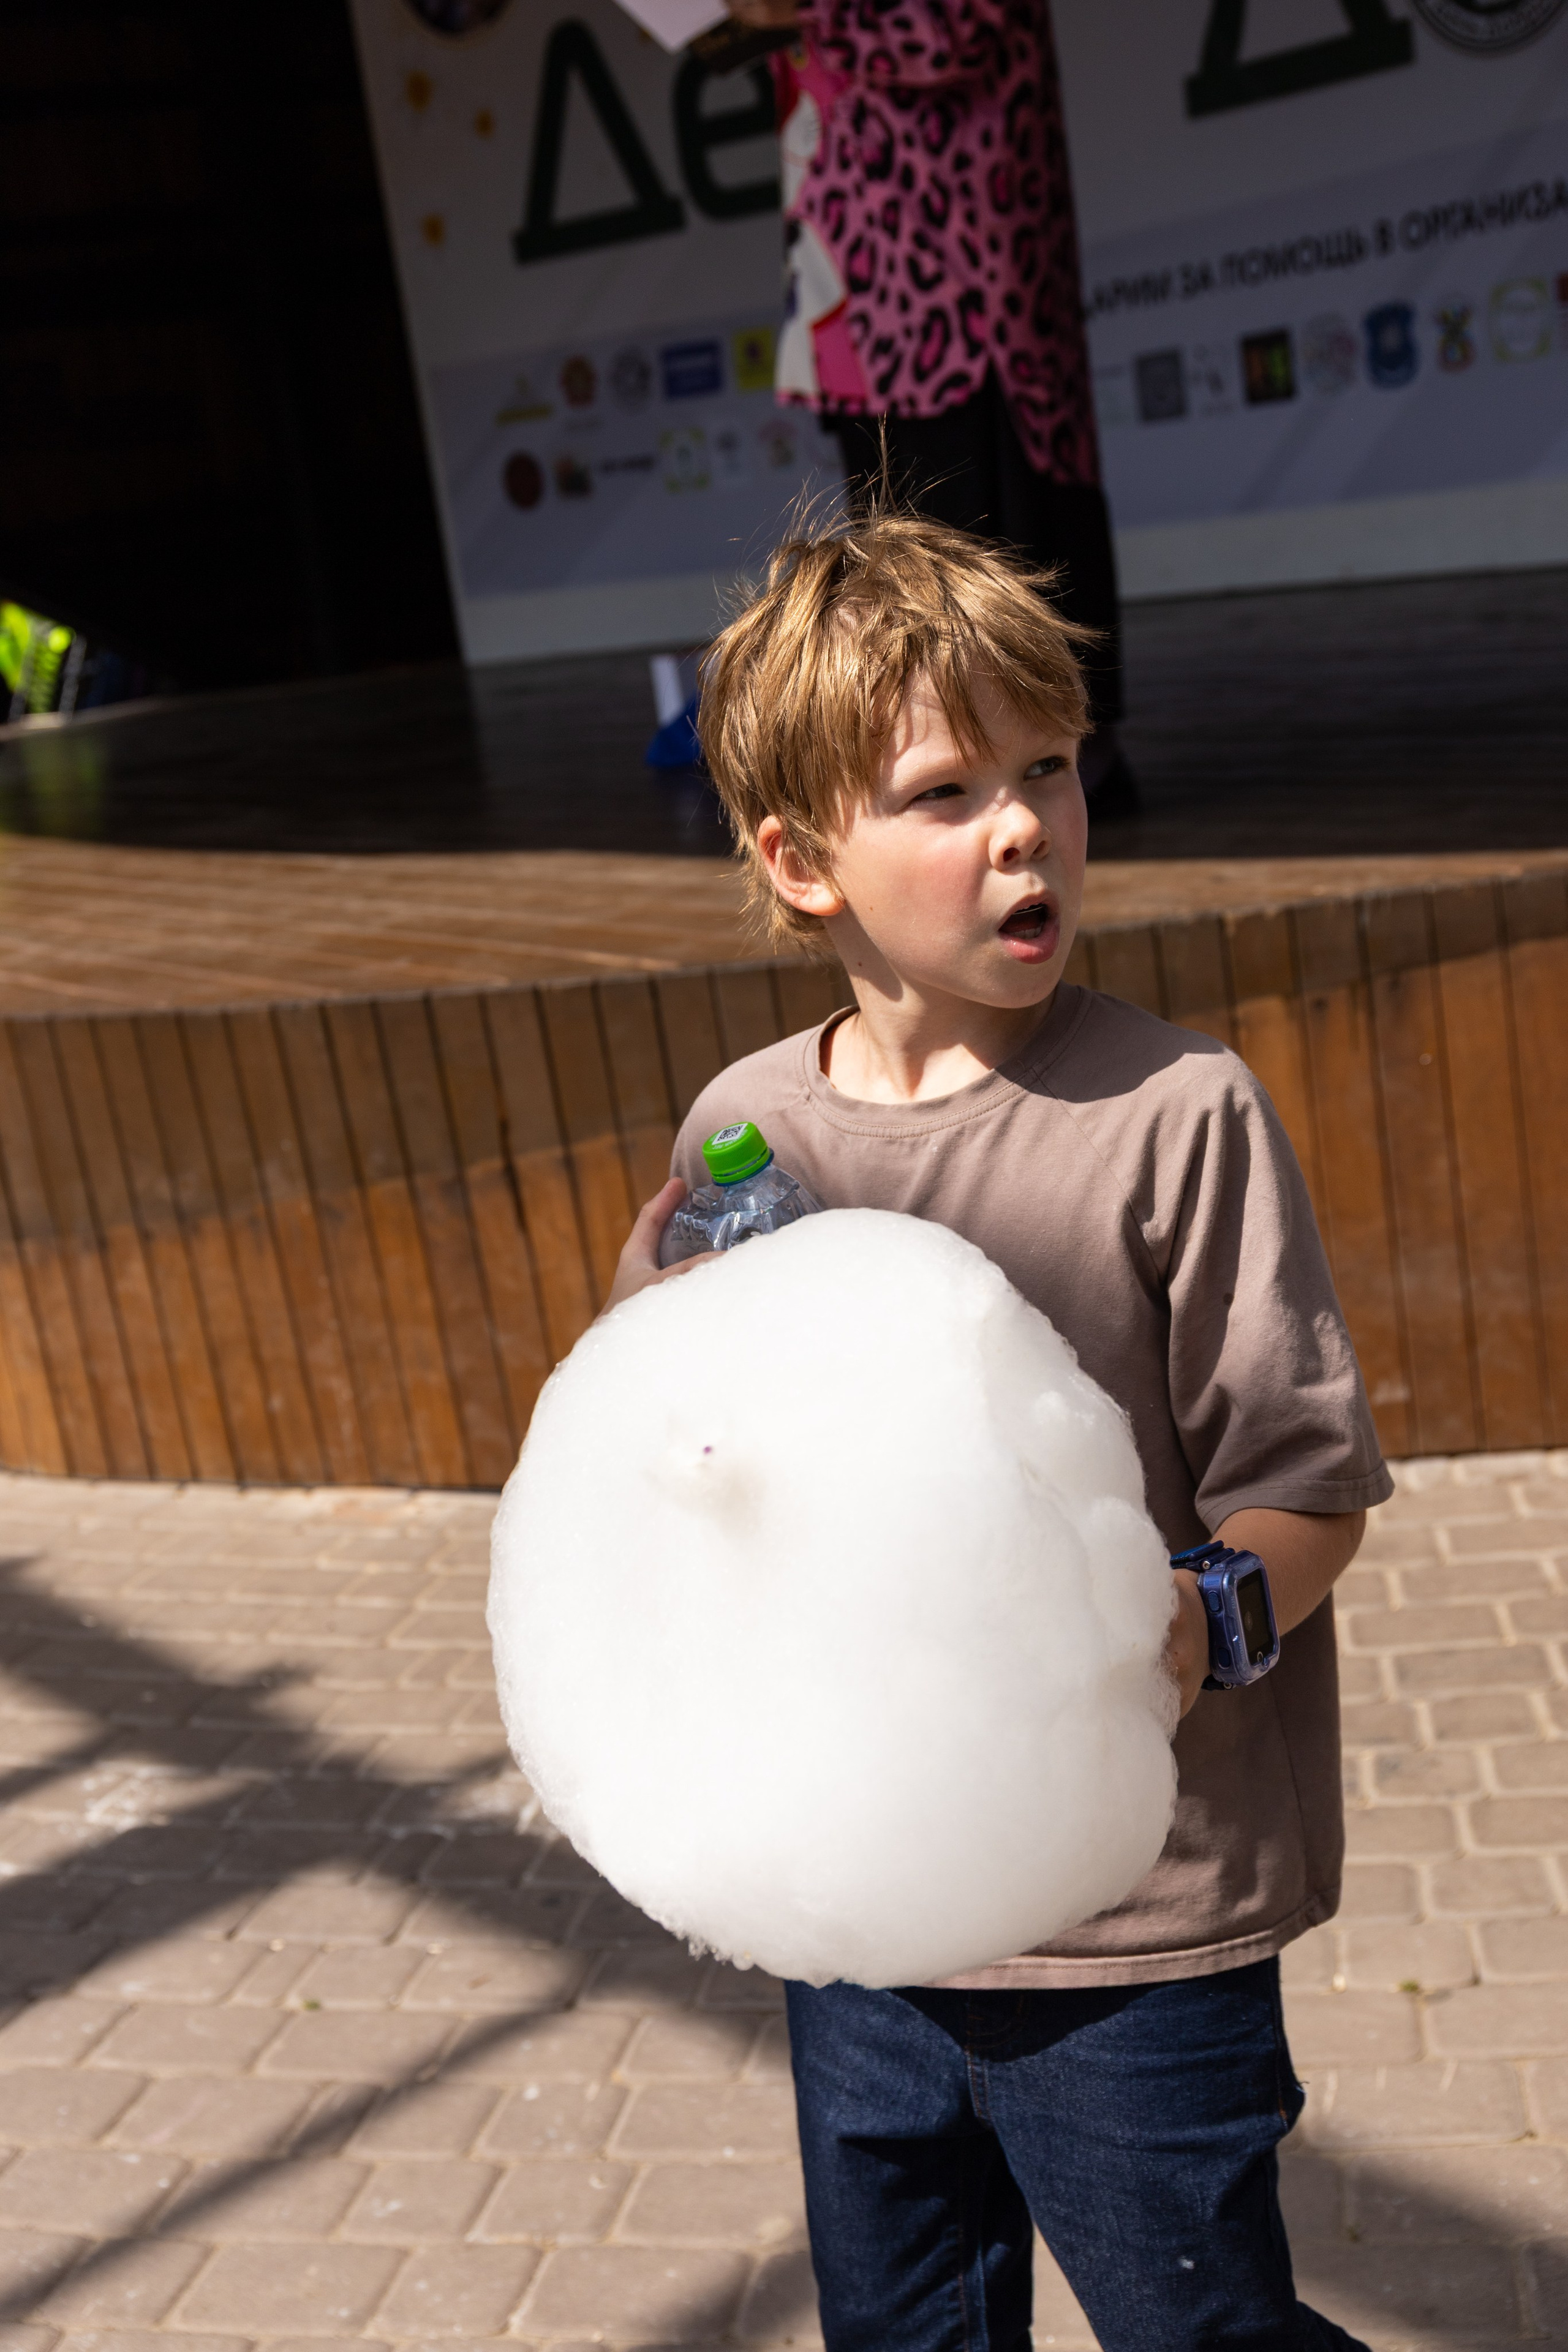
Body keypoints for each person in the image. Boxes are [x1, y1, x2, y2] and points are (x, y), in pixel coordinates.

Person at [605, 507, 1390, 2351]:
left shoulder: (1173, 1115)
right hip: (864, 1909)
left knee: (1200, 2324)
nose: (1027, 825)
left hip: (1133, 1919)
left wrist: (1205, 1618)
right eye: (948, 792)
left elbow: (1310, 1484)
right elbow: (681, 1449)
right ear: (804, 864)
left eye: (1050, 768)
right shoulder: (750, 1133)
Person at [724, 0, 1136, 813]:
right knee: (898, 541)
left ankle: (1058, 770)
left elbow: (958, 27)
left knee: (990, 529)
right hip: (853, 263)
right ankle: (941, 766)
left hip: (960, 272)